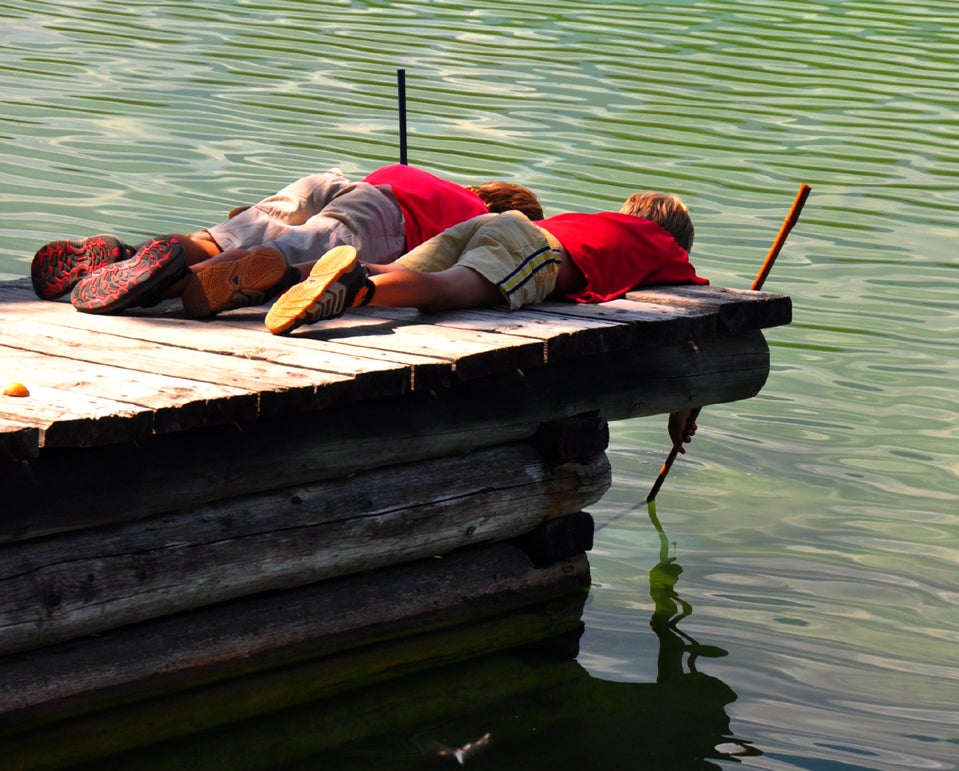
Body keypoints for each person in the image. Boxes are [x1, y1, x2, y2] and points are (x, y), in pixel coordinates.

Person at [31, 165, 543, 316]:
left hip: (339, 184)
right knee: (276, 259)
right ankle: (166, 284)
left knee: (220, 238)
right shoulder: (478, 217)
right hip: (382, 217)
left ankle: (125, 258)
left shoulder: (425, 177)